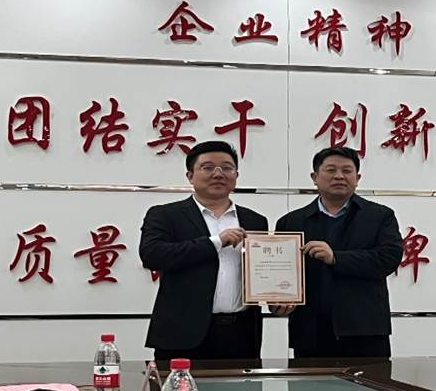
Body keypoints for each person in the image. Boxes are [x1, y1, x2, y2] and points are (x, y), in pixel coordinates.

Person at [139, 140, 268, 360]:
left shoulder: (255, 220)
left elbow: (262, 271)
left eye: (227, 168)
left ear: (236, 175)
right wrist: (216, 242)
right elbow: (152, 255)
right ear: (190, 176)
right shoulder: (165, 215)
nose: (218, 174)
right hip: (182, 333)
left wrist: (276, 298)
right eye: (207, 167)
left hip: (242, 333)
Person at [272, 146, 403, 358]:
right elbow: (279, 272)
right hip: (310, 332)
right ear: (315, 177)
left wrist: (336, 258)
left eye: (347, 170)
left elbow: (388, 259)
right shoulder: (291, 222)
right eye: (331, 170)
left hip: (364, 330)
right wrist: (277, 300)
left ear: (357, 178)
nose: (339, 176)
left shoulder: (380, 216)